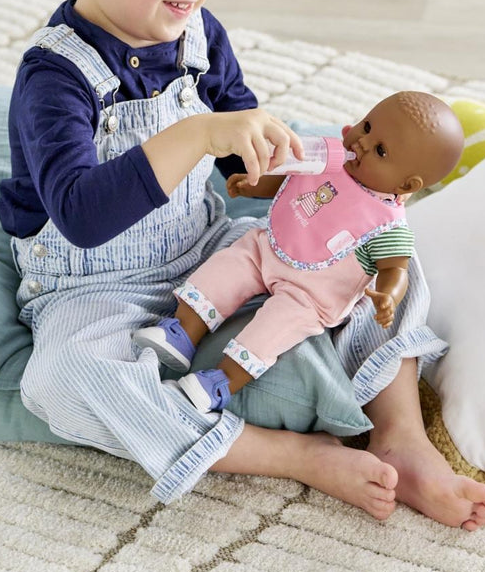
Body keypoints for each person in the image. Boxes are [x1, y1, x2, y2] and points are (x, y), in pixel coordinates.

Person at [0, 0, 485, 529]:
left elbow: (243, 150)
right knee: (61, 380)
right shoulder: (54, 79)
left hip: (206, 245)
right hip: (91, 286)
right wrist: (200, 133)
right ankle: (288, 455)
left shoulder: (199, 34)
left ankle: (401, 434)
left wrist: (309, 178)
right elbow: (82, 216)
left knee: (386, 253)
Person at [134, 92, 465, 415]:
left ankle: (220, 383)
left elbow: (397, 269)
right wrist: (253, 185)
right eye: (367, 126)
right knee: (227, 267)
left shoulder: (385, 225)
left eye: (380, 150)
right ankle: (183, 332)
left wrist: (388, 296)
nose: (362, 143)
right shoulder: (328, 158)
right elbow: (287, 182)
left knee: (272, 330)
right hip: (269, 249)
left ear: (406, 186)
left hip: (312, 295)